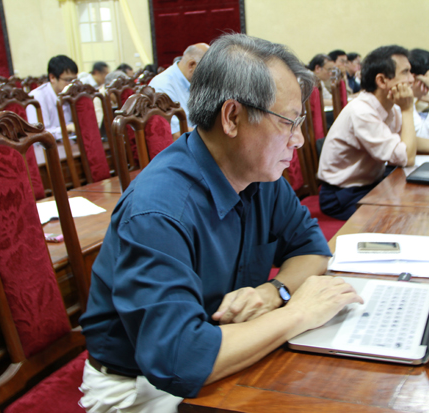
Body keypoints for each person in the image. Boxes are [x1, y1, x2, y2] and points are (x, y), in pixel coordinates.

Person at [78, 33, 363, 412]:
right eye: (288, 122)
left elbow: (312, 251)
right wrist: (297, 312)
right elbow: (180, 360)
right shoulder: (158, 211)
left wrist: (274, 293)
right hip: (140, 385)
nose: (298, 140)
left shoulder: (259, 175)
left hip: (225, 346)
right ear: (232, 117)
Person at [317, 46, 429, 220]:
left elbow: (408, 141)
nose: (411, 79)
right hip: (343, 194)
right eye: (405, 72)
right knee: (409, 215)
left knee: (426, 200)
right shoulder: (362, 112)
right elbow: (407, 156)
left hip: (370, 183)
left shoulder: (389, 106)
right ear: (382, 80)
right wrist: (407, 109)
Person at [149, 43, 209, 136]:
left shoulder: (194, 82)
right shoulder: (163, 86)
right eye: (208, 71)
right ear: (192, 65)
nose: (209, 76)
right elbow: (175, 134)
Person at [26, 55, 78, 141]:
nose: (72, 85)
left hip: (71, 142)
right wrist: (66, 128)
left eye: (75, 80)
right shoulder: (37, 97)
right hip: (48, 146)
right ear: (52, 78)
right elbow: (37, 134)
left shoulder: (73, 94)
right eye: (68, 80)